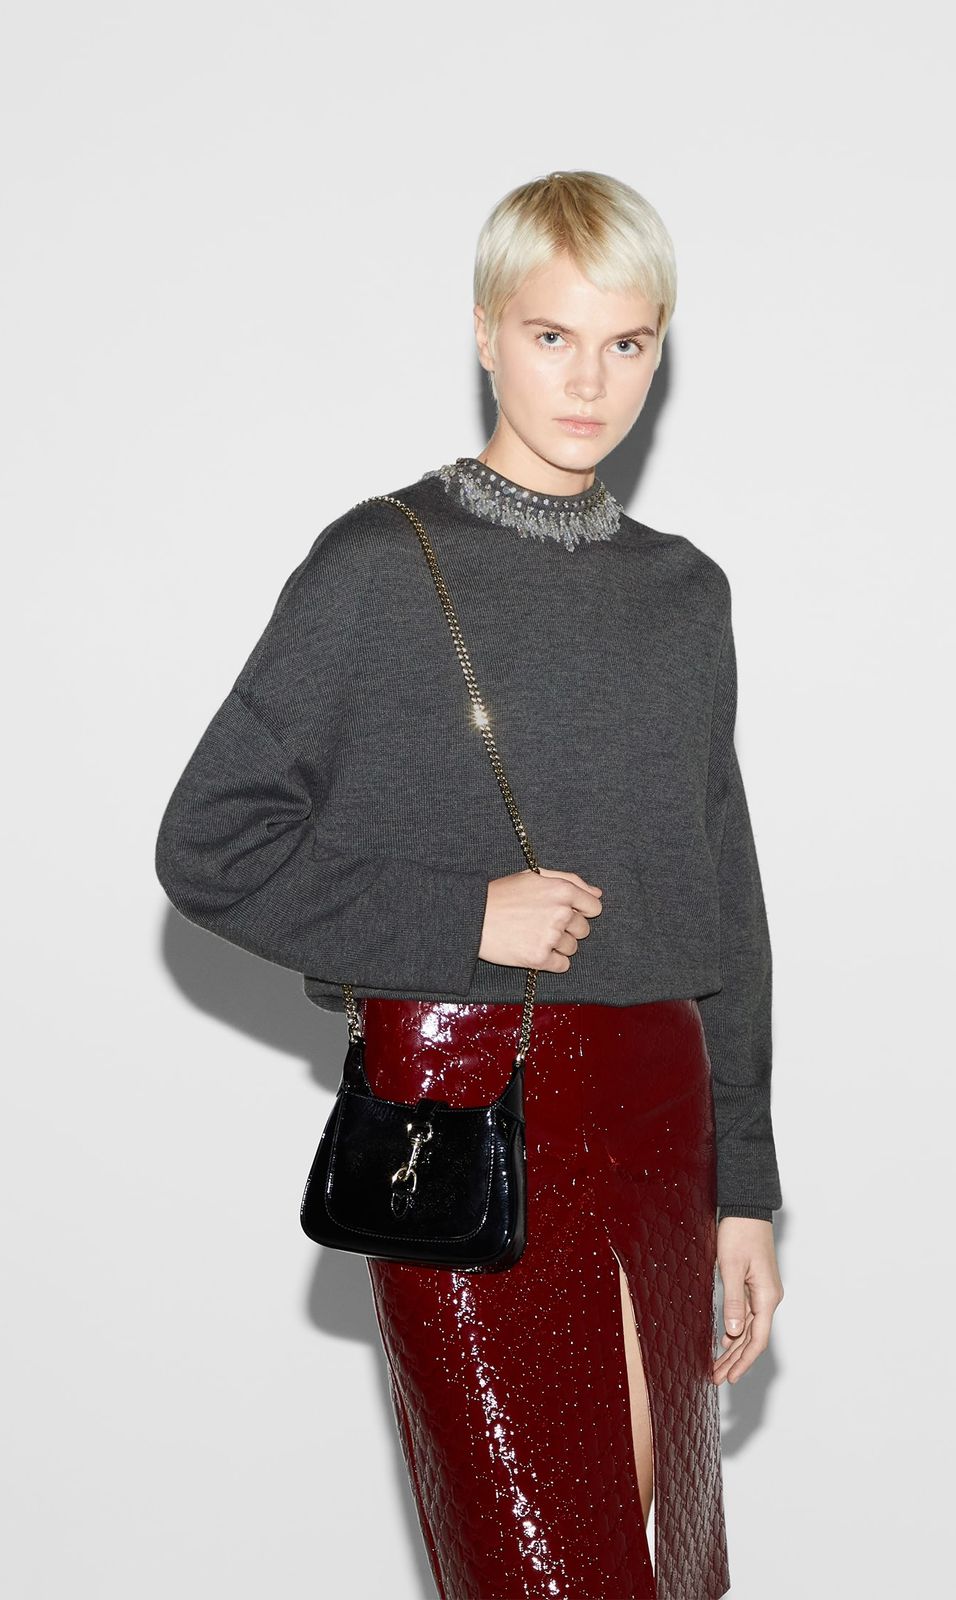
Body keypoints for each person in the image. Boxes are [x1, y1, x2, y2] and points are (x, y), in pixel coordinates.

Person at [155, 169, 784, 1600]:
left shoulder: (687, 595)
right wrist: (463, 917)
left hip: (662, 1102)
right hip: (465, 1110)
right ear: (488, 333)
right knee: (542, 1568)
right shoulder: (383, 565)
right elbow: (209, 842)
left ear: (661, 350)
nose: (590, 379)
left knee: (663, 1556)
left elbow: (726, 902)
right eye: (554, 335)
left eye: (627, 342)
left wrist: (745, 1188)